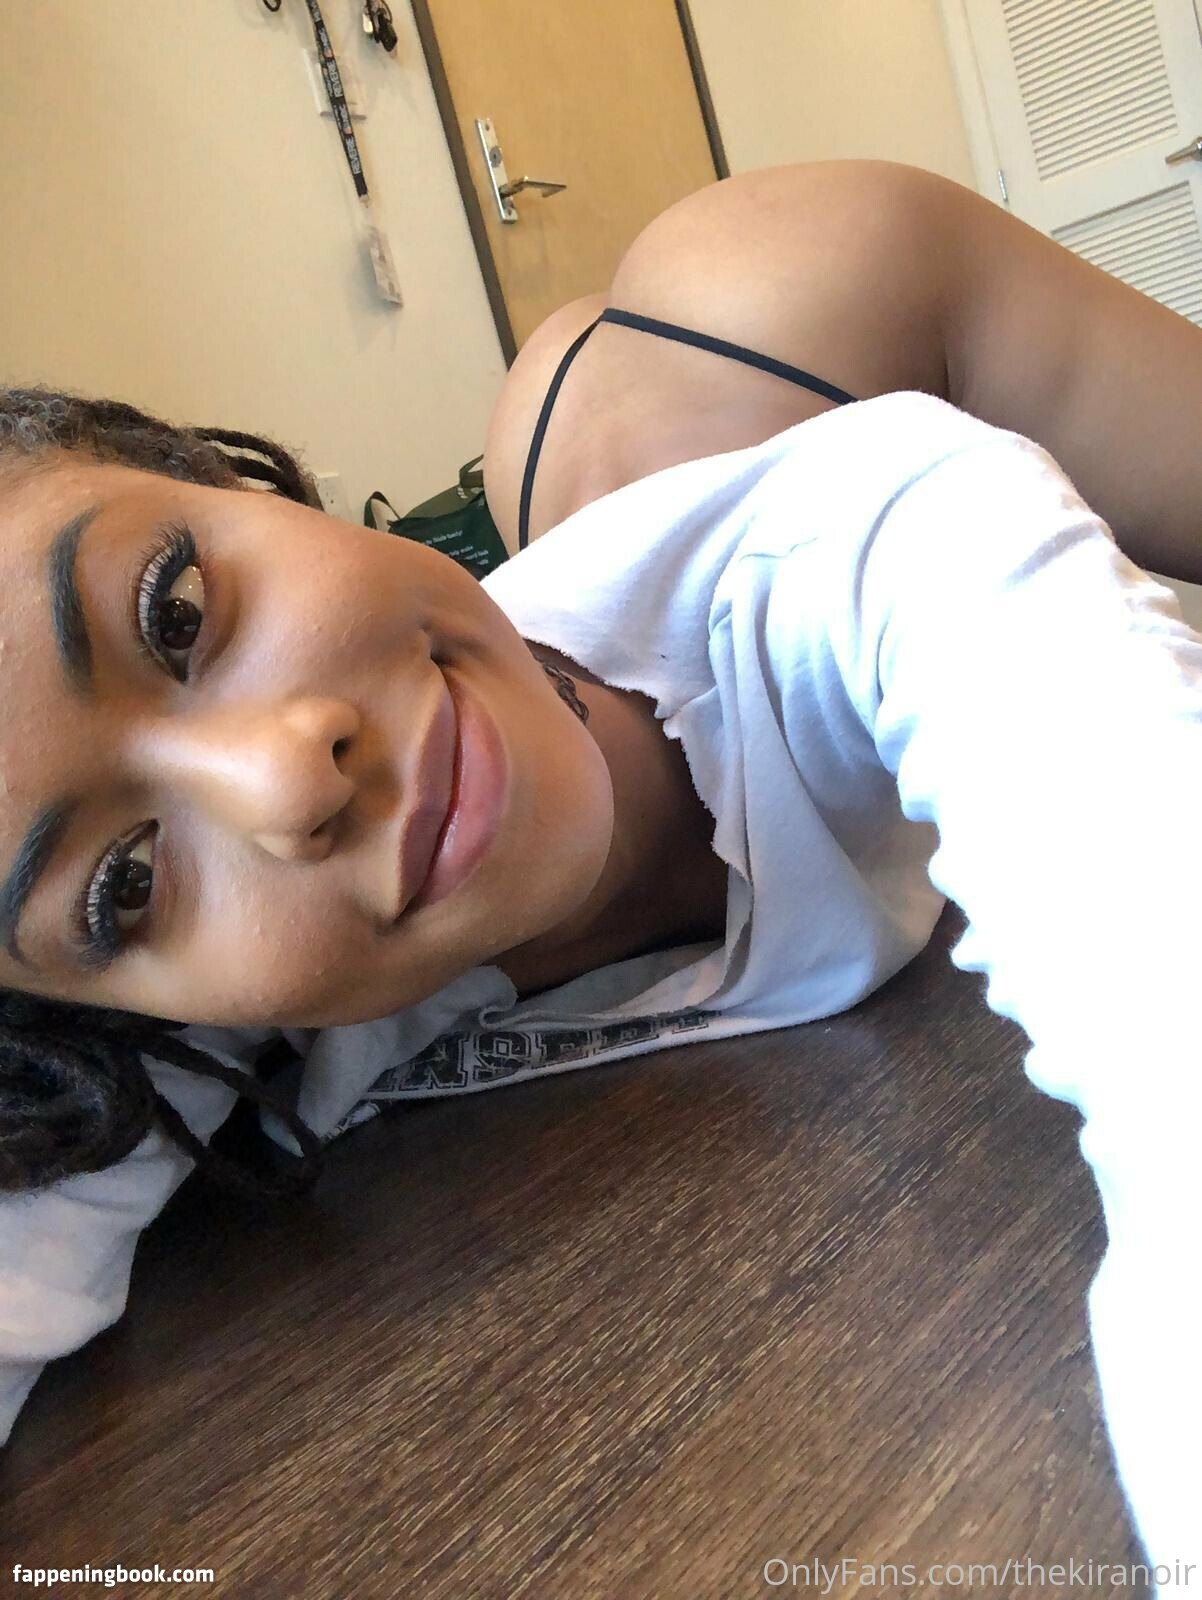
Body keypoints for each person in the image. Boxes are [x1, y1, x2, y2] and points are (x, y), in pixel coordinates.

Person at [0, 158, 1199, 1586]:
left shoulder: (884, 531)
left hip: (798, 319)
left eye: (175, 609)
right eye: (123, 885)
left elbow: (1168, 1018)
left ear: (217, 480)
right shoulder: (169, 1036)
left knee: (756, 270)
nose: (283, 780)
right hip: (565, 511)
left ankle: (578, 387)